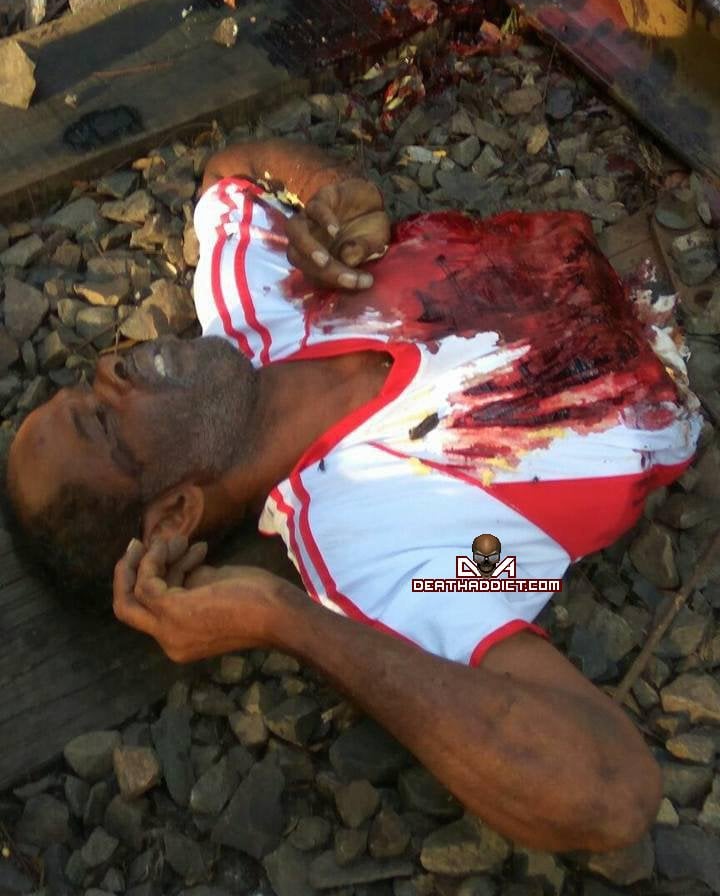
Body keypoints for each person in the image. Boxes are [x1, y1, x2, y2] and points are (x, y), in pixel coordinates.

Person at [5, 138, 701, 854]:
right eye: (104, 419)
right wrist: (288, 621)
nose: (112, 368)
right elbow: (613, 793)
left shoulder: (249, 294)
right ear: (178, 513)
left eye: (89, 381)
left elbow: (229, 169)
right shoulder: (383, 556)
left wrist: (333, 187)